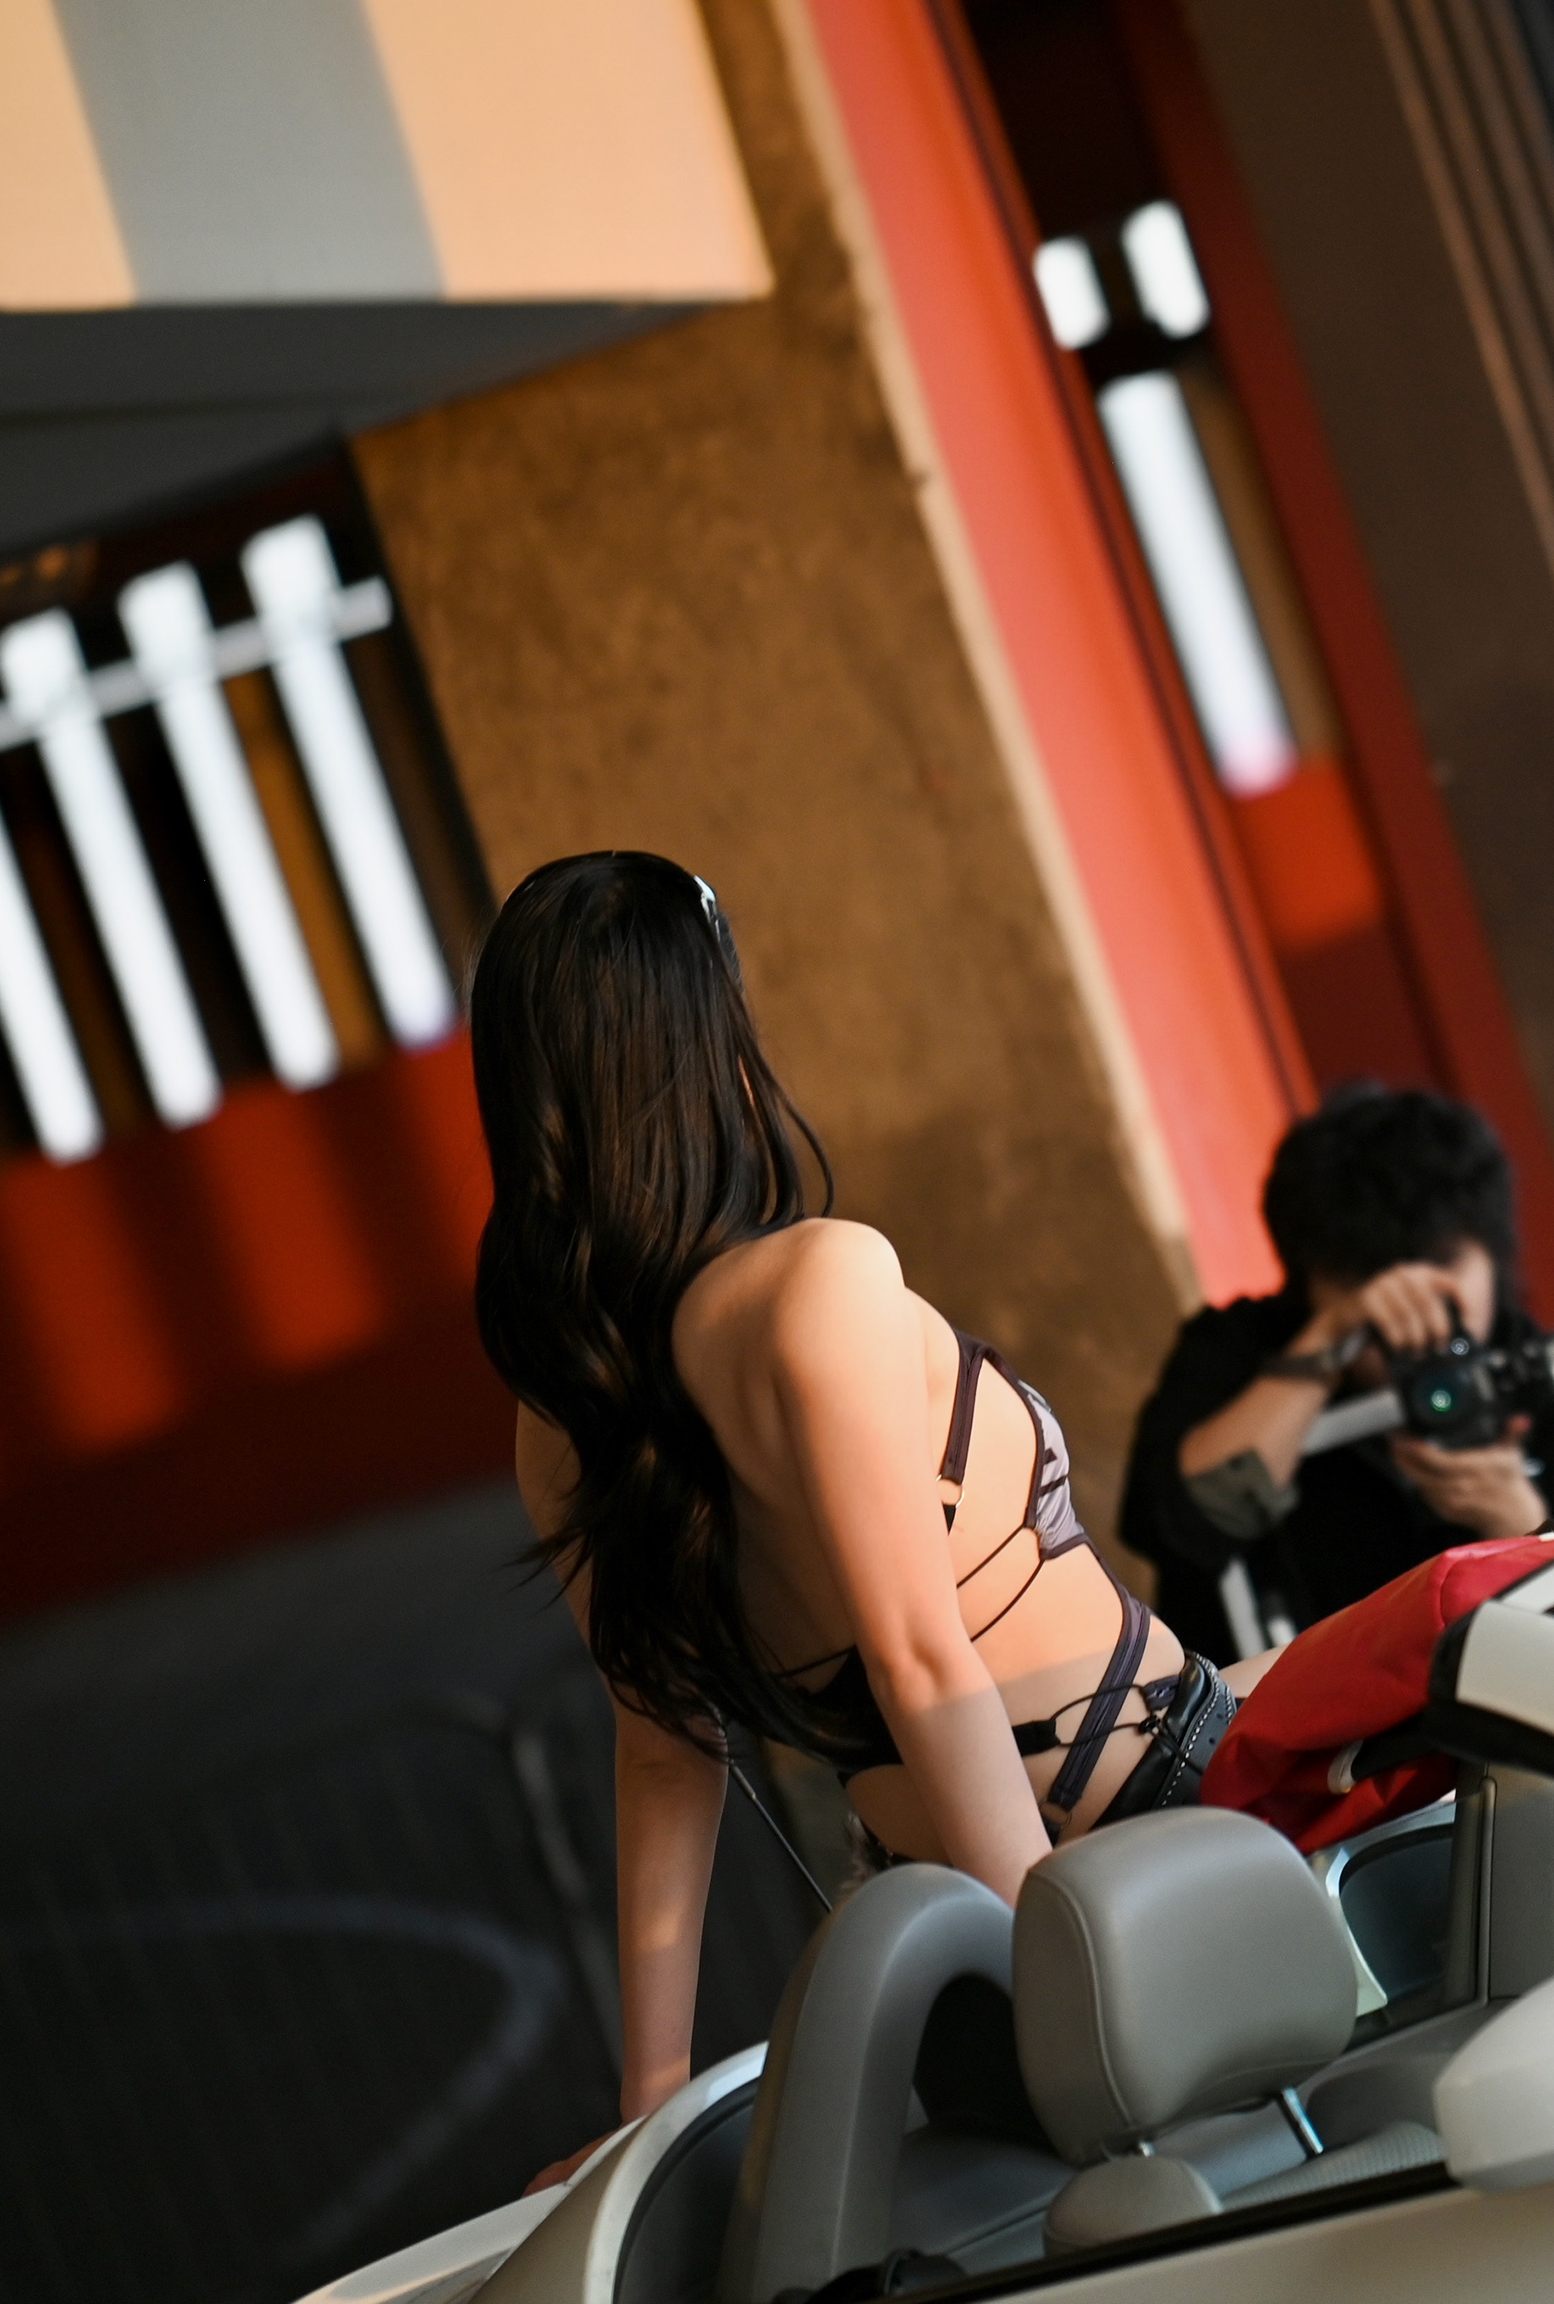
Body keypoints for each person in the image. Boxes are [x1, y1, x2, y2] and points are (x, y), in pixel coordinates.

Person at [477, 853, 1256, 2187]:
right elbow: (920, 1658)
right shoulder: (817, 1283)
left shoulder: (564, 1419)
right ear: (706, 1036)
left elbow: (664, 1752)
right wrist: (1060, 1974)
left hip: (942, 1940)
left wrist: (651, 2099)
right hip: (1129, 1841)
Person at [1121, 1085, 1554, 1660]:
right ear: (1307, 1281)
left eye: (1442, 1263)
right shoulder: (1240, 1351)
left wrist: (1517, 1518)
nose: (1409, 1308)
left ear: (1493, 1257)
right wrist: (1326, 1345)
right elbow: (1177, 1527)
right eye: (1362, 1277)